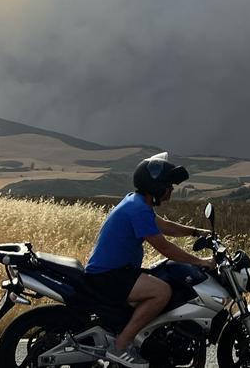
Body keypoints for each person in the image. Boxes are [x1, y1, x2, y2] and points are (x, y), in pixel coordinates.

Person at [84, 152, 214, 368]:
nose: (171, 191)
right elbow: (165, 248)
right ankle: (121, 345)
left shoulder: (137, 203)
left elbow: (164, 226)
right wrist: (201, 262)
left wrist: (196, 232)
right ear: (155, 186)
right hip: (109, 276)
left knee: (162, 279)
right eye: (168, 186)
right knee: (162, 291)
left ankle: (139, 338)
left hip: (116, 271)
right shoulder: (138, 209)